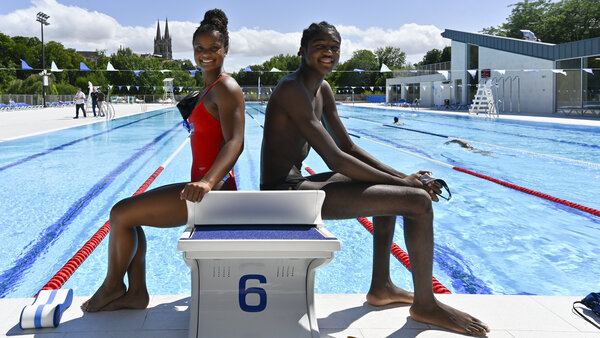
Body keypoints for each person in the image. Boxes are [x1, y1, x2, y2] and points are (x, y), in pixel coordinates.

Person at [260, 21, 489, 336]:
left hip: (297, 184)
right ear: (303, 51)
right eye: (320, 46)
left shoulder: (321, 89)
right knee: (417, 203)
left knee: (391, 191)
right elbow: (335, 158)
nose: (328, 52)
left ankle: (381, 287)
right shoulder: (291, 89)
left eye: (334, 47)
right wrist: (407, 185)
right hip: (283, 193)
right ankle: (425, 304)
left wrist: (403, 177)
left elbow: (348, 145)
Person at [82, 8, 245, 312]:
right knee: (128, 216)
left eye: (213, 48)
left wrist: (208, 182)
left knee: (121, 214)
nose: (206, 54)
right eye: (200, 48)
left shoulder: (226, 86)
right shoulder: (207, 88)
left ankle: (113, 287)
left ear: (225, 49)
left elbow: (235, 142)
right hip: (200, 188)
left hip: (213, 192)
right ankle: (135, 293)